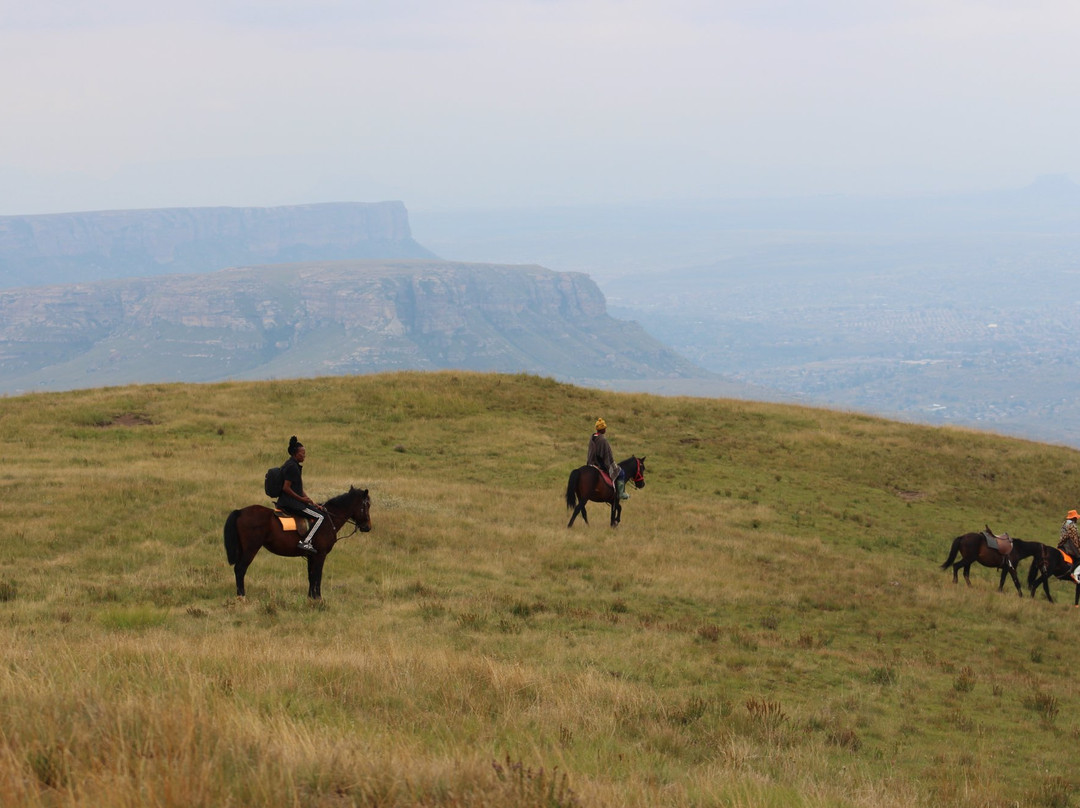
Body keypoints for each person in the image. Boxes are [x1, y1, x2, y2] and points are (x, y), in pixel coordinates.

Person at [276, 436, 325, 554]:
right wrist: (302, 500)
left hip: (294, 502)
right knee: (320, 517)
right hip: (291, 504)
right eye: (302, 453)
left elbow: (298, 489)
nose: (304, 456)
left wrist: (312, 503)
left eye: (304, 453)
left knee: (317, 511)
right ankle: (306, 542)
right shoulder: (292, 467)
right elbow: (286, 488)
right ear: (295, 454)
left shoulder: (292, 464)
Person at [587, 417, 628, 501]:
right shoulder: (603, 439)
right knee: (621, 473)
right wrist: (609, 466)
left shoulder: (592, 437)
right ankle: (620, 493)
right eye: (604, 428)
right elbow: (606, 456)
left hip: (592, 463)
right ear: (602, 429)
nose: (605, 429)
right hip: (601, 464)